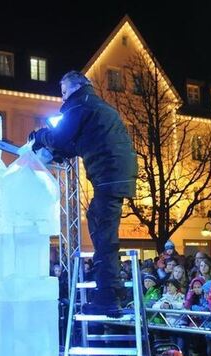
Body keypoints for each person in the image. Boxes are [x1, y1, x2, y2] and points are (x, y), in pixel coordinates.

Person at [30, 70, 137, 315]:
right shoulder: (98, 107)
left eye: (64, 92)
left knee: (102, 235)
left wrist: (39, 136)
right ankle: (112, 294)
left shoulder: (79, 104)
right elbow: (76, 143)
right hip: (115, 173)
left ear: (76, 87)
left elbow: (59, 137)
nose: (63, 98)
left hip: (109, 174)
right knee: (100, 226)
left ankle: (108, 298)